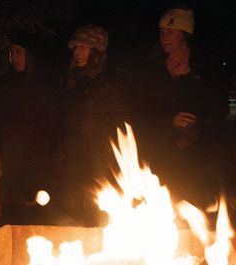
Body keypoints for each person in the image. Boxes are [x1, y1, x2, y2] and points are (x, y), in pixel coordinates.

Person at [133, 6, 229, 208]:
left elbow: (220, 109)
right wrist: (169, 121)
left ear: (185, 34)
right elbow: (141, 112)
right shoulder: (152, 69)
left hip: (196, 157)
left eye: (170, 31)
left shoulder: (205, 68)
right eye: (161, 32)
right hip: (160, 154)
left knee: (194, 208)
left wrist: (196, 127)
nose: (163, 37)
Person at [0, 31, 61, 225]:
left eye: (18, 51)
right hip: (10, 161)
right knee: (10, 213)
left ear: (31, 55)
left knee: (34, 215)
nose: (13, 57)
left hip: (37, 164)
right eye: (11, 52)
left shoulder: (48, 87)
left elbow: (55, 127)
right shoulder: (4, 86)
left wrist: (53, 163)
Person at [57, 25, 130, 226]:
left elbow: (119, 130)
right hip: (74, 169)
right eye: (75, 47)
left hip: (99, 170)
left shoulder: (111, 85)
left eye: (83, 47)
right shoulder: (73, 84)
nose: (77, 52)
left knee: (99, 224)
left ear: (96, 50)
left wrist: (108, 170)